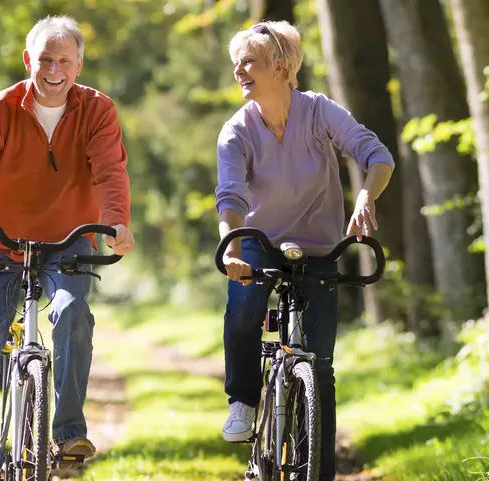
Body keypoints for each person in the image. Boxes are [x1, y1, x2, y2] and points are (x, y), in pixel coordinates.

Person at [0, 15, 134, 481]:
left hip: (68, 244)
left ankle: (67, 434)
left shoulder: (97, 111)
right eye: (45, 59)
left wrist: (116, 222)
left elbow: (110, 171)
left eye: (65, 60)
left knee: (72, 313)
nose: (54, 69)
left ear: (79, 65)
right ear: (29, 60)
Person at [215, 20, 393, 481]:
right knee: (244, 308)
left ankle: (321, 470)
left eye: (248, 62)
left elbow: (377, 156)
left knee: (320, 363)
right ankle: (243, 399)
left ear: (279, 66)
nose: (239, 70)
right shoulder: (236, 130)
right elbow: (230, 198)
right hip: (259, 242)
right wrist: (230, 243)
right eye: (236, 63)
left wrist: (365, 197)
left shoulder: (318, 112)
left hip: (318, 248)